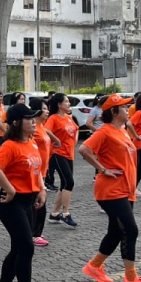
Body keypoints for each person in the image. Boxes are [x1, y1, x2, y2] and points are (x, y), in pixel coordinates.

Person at [78, 94, 141, 282]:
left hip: (125, 190)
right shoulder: (105, 131)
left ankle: (94, 266)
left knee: (115, 231)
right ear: (113, 112)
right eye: (124, 107)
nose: (128, 109)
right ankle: (130, 279)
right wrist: (103, 169)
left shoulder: (122, 131)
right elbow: (84, 149)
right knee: (130, 230)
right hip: (111, 191)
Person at [0, 103, 51, 282]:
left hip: (29, 201)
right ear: (16, 122)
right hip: (11, 204)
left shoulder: (30, 142)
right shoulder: (10, 145)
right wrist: (10, 188)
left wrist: (41, 189)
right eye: (28, 118)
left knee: (18, 249)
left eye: (34, 117)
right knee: (26, 248)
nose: (34, 121)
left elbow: (37, 169)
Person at [43, 93, 79, 229]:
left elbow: (76, 129)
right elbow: (46, 129)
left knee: (65, 183)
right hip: (58, 153)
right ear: (59, 104)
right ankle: (65, 213)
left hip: (69, 154)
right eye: (67, 102)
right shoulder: (53, 118)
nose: (69, 104)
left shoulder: (69, 118)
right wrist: (56, 139)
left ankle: (54, 213)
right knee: (69, 182)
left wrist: (74, 141)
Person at [28, 97, 59, 247]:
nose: (47, 111)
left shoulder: (41, 126)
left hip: (43, 171)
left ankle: (35, 231)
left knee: (39, 202)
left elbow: (47, 131)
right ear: (36, 110)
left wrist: (55, 139)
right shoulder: (32, 128)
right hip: (35, 172)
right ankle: (34, 234)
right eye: (44, 109)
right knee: (39, 204)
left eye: (47, 109)